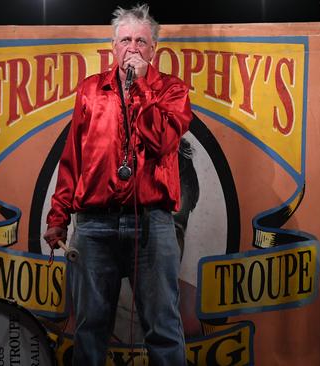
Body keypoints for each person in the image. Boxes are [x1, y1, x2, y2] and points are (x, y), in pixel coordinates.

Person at [43, 3, 192, 365]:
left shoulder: (173, 91)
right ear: (113, 47)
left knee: (163, 328)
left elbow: (161, 141)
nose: (133, 48)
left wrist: (140, 88)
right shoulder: (91, 90)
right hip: (94, 226)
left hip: (153, 225)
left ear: (154, 49)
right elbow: (72, 158)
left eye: (141, 41)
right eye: (126, 40)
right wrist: (58, 216)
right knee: (90, 329)